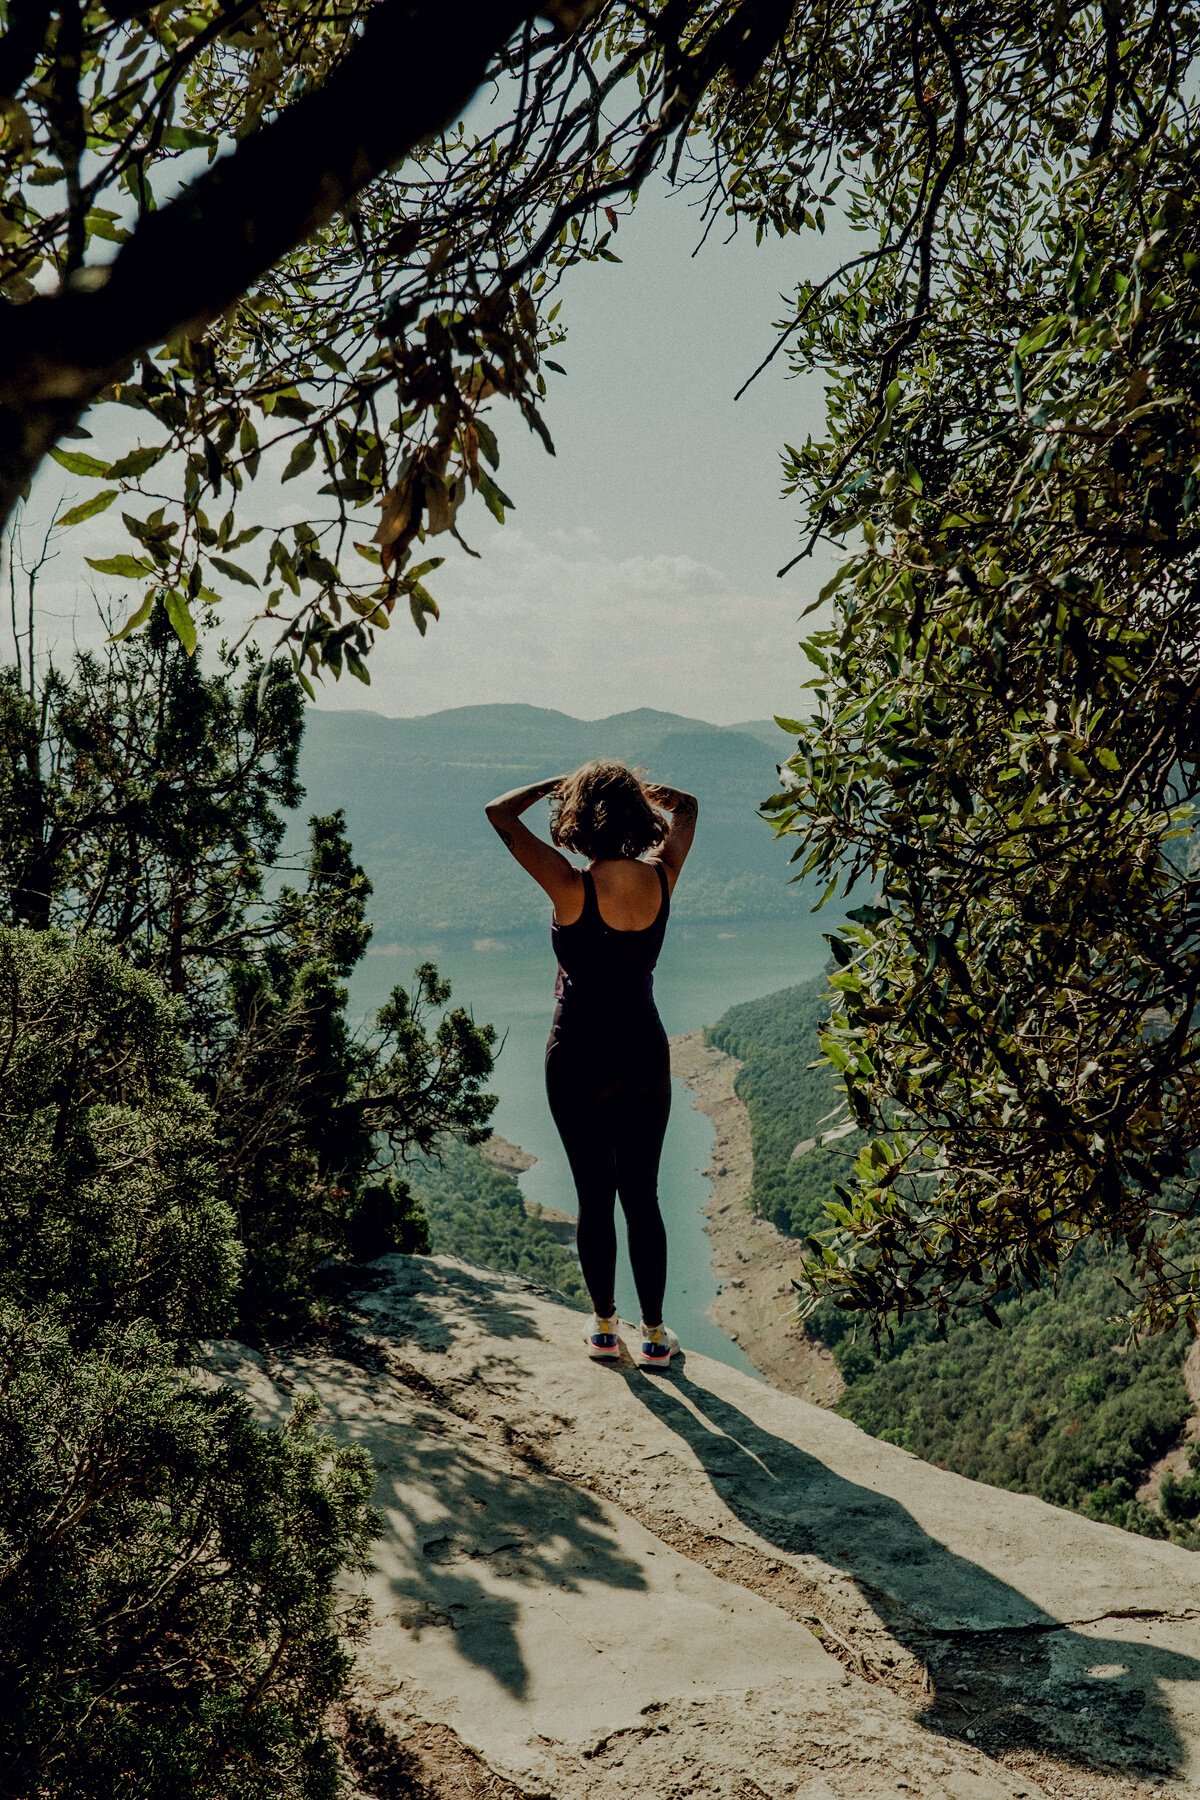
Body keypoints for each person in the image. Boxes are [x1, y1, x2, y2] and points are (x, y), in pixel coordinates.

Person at [485, 761, 698, 1368]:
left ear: (577, 818)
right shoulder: (662, 876)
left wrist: (552, 784)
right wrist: (650, 792)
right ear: (638, 814)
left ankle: (605, 1329)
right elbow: (689, 810)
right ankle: (656, 1334)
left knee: (593, 1195)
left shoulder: (569, 886)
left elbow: (498, 814)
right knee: (644, 1195)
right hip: (643, 1051)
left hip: (577, 1052)